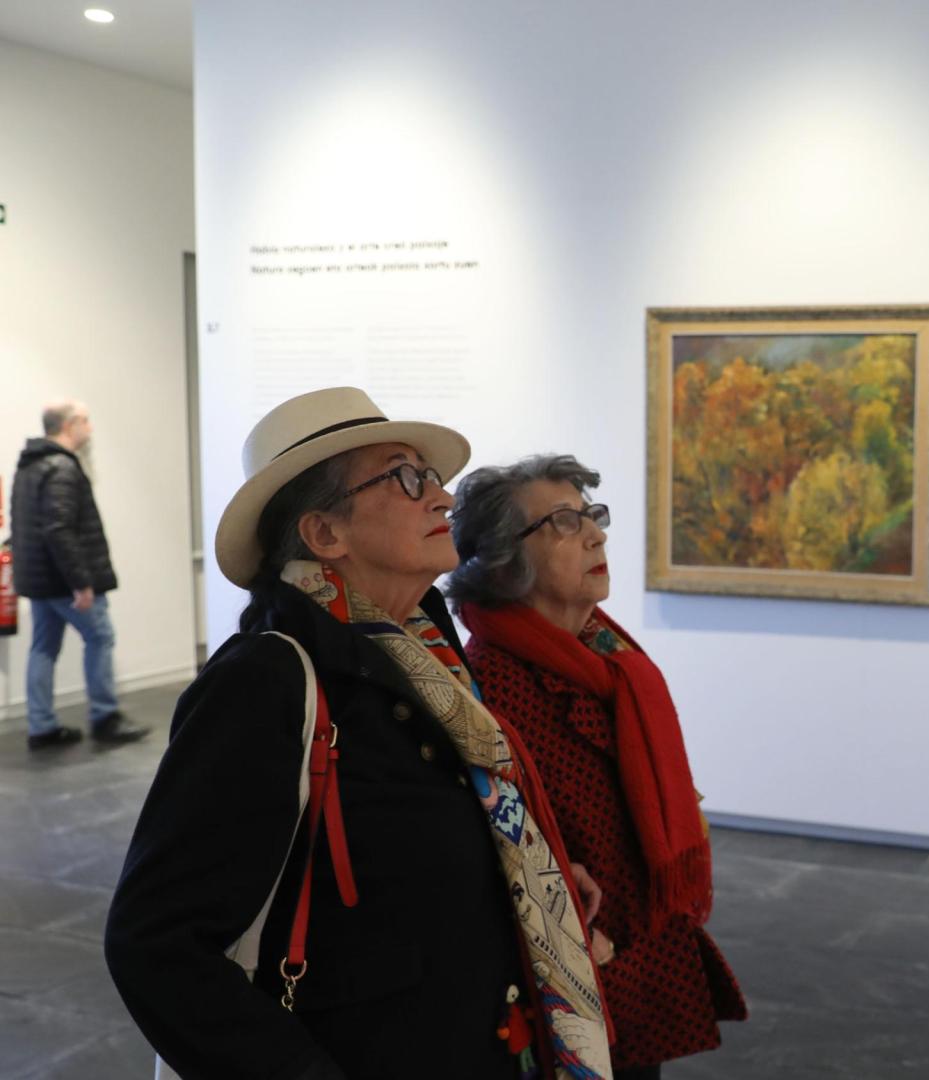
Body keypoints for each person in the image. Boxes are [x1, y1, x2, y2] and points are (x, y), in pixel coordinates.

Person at [106, 388, 615, 1079]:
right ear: (324, 534)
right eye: (405, 477)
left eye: (432, 477)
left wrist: (528, 866)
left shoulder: (427, 652)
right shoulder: (268, 680)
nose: (442, 498)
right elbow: (156, 944)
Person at [450, 455, 746, 1080]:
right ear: (504, 557)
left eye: (592, 516)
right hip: (564, 976)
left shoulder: (610, 659)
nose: (595, 535)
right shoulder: (486, 687)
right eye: (563, 522)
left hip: (640, 961)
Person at [10, 400, 148, 749]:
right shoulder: (61, 468)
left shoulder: (30, 466)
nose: (90, 428)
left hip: (40, 581)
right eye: (85, 420)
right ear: (69, 425)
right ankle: (106, 718)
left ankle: (41, 726)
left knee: (43, 647)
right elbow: (59, 529)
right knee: (100, 638)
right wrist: (81, 582)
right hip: (62, 582)